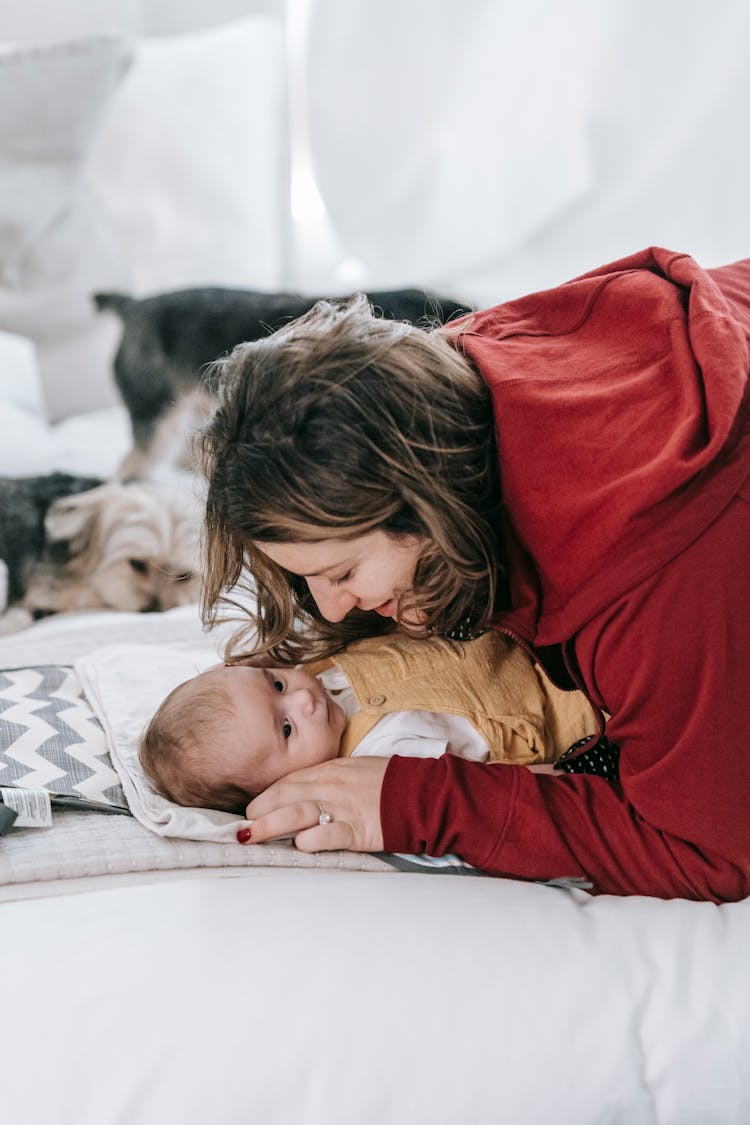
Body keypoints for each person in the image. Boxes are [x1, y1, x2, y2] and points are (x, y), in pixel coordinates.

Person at [199, 246, 750, 902]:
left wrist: (419, 803)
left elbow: (709, 851)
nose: (336, 606)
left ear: (430, 507)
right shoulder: (455, 371)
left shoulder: (657, 571)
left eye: (342, 570)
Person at [139, 630, 602, 814]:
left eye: (275, 684)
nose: (302, 699)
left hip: (540, 642)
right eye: (286, 730)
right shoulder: (376, 759)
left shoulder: (321, 673)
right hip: (575, 707)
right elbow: (482, 787)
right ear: (284, 785)